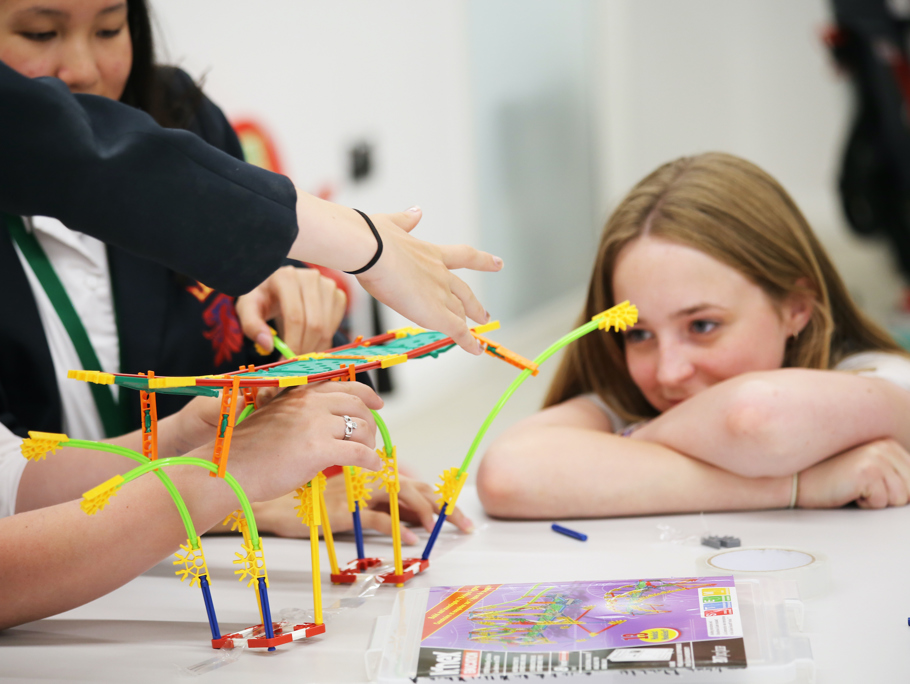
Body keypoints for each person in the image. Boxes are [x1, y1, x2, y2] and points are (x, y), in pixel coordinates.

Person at [0, 0, 472, 541]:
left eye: (110, 28)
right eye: (39, 33)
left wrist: (312, 324)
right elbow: (10, 491)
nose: (81, 67)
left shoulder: (178, 119)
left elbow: (311, 387)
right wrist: (226, 500)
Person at [477, 152, 910, 519]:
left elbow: (755, 417)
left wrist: (630, 444)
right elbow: (507, 473)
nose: (669, 372)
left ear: (796, 307)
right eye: (639, 334)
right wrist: (798, 487)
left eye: (702, 326)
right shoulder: (628, 397)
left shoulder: (884, 379)